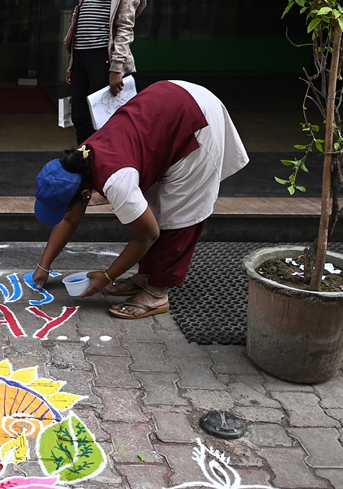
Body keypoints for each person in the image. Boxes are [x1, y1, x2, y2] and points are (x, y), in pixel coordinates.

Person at [32, 80, 249, 319]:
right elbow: (69, 220)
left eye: (66, 208)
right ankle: (145, 276)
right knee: (151, 207)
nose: (65, 214)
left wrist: (107, 276)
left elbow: (147, 235)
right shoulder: (79, 159)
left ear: (86, 195)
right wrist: (44, 265)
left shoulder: (117, 180)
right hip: (171, 100)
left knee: (178, 215)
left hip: (198, 122)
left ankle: (157, 293)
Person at [63, 0, 146, 145]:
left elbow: (125, 28)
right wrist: (73, 64)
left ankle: (103, 166)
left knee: (103, 118)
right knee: (80, 115)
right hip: (82, 57)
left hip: (103, 58)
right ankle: (84, 163)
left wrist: (116, 68)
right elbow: (78, 25)